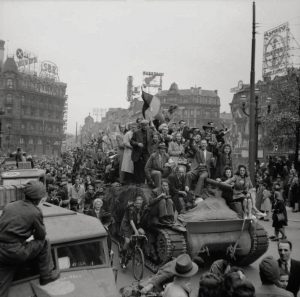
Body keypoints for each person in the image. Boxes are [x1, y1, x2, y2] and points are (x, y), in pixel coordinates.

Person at [0, 181, 60, 297]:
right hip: (16, 252)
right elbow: (41, 236)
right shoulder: (35, 212)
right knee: (44, 242)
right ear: (39, 198)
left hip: (2, 252)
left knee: (2, 286)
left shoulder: (9, 206)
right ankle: (46, 276)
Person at [120, 195, 145, 269]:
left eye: (140, 203)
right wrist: (136, 231)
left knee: (142, 233)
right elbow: (131, 221)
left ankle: (136, 252)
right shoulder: (131, 208)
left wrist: (139, 230)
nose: (139, 205)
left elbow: (138, 220)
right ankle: (123, 258)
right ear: (134, 202)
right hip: (127, 225)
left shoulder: (141, 209)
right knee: (127, 242)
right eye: (137, 203)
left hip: (134, 225)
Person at [130, 119, 153, 184]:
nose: (145, 127)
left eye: (146, 125)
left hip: (146, 153)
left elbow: (154, 139)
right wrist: (137, 144)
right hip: (137, 153)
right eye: (143, 125)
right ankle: (138, 183)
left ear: (148, 125)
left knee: (146, 167)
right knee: (137, 168)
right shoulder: (136, 132)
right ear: (141, 126)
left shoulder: (150, 132)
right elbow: (131, 142)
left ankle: (146, 182)